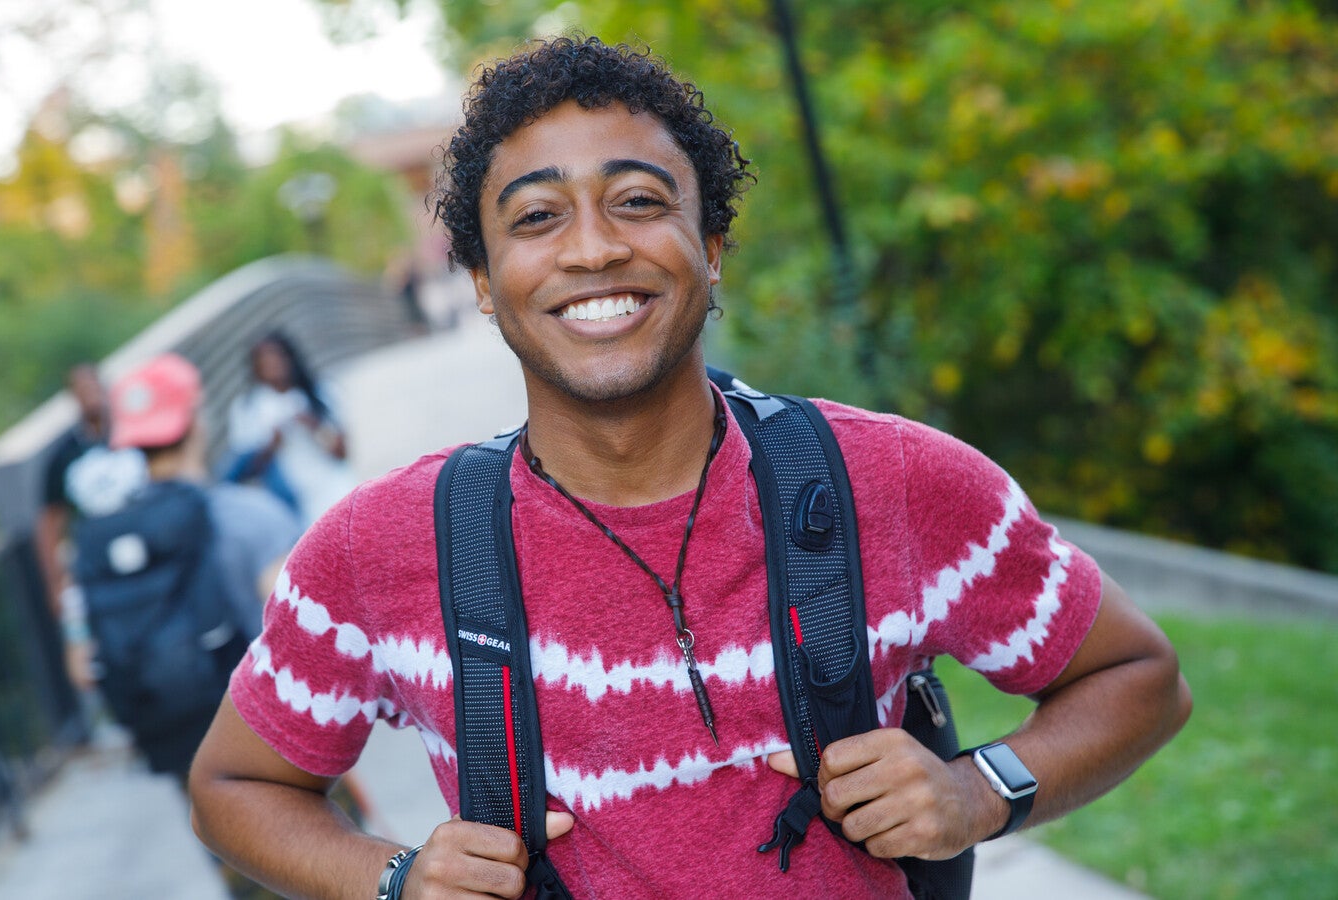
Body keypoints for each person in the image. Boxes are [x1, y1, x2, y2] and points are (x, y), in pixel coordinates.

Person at [189, 36, 1192, 899]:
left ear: (709, 248)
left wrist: (980, 792)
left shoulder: (891, 479)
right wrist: (394, 878)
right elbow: (233, 786)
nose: (591, 250)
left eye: (636, 201)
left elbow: (1137, 675)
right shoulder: (381, 547)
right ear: (485, 285)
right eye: (536, 218)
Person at [81, 353, 303, 777]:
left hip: (179, 740)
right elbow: (301, 635)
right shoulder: (251, 516)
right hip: (270, 736)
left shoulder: (100, 539)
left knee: (223, 838)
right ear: (197, 422)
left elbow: (83, 665)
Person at [34, 362, 147, 687]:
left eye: (94, 387)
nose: (90, 396)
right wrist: (54, 582)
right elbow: (49, 522)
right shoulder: (63, 457)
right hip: (94, 562)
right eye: (81, 390)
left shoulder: (133, 434)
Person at [220, 332, 356, 529]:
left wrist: (312, 424)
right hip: (289, 503)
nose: (272, 365)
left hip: (333, 489)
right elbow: (246, 470)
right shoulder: (248, 409)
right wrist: (271, 445)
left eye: (277, 356)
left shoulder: (320, 392)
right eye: (264, 360)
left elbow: (342, 453)